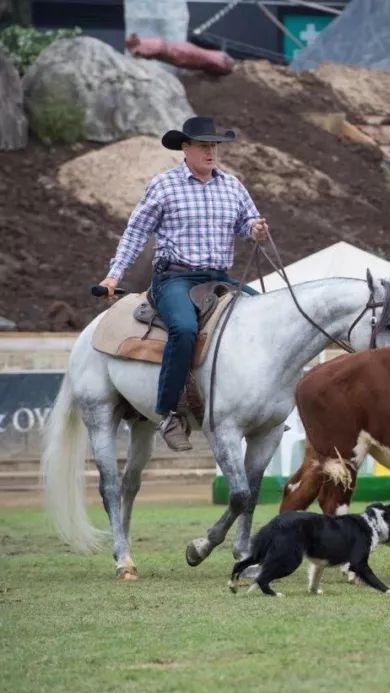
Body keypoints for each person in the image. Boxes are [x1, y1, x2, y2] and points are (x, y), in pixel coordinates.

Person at [98, 116, 269, 452]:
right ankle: (169, 413)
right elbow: (136, 232)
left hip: (218, 278)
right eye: (204, 145)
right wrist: (114, 275)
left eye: (214, 145)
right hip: (174, 277)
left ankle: (264, 404)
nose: (211, 151)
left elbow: (248, 222)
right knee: (184, 329)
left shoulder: (232, 185)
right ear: (186, 148)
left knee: (264, 316)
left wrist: (256, 230)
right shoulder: (163, 185)